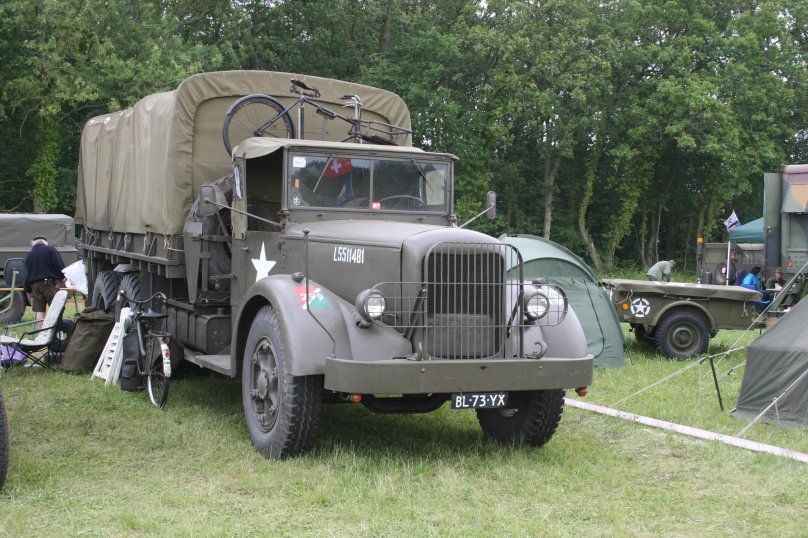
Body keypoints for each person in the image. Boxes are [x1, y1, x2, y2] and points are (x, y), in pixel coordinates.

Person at [23, 236, 66, 325]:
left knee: (39, 310)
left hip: (35, 286)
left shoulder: (29, 255)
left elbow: (26, 275)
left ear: (33, 243)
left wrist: (28, 290)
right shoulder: (50, 250)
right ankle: (58, 334)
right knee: (56, 308)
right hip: (49, 284)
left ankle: (41, 335)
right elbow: (58, 264)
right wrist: (63, 276)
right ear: (44, 242)